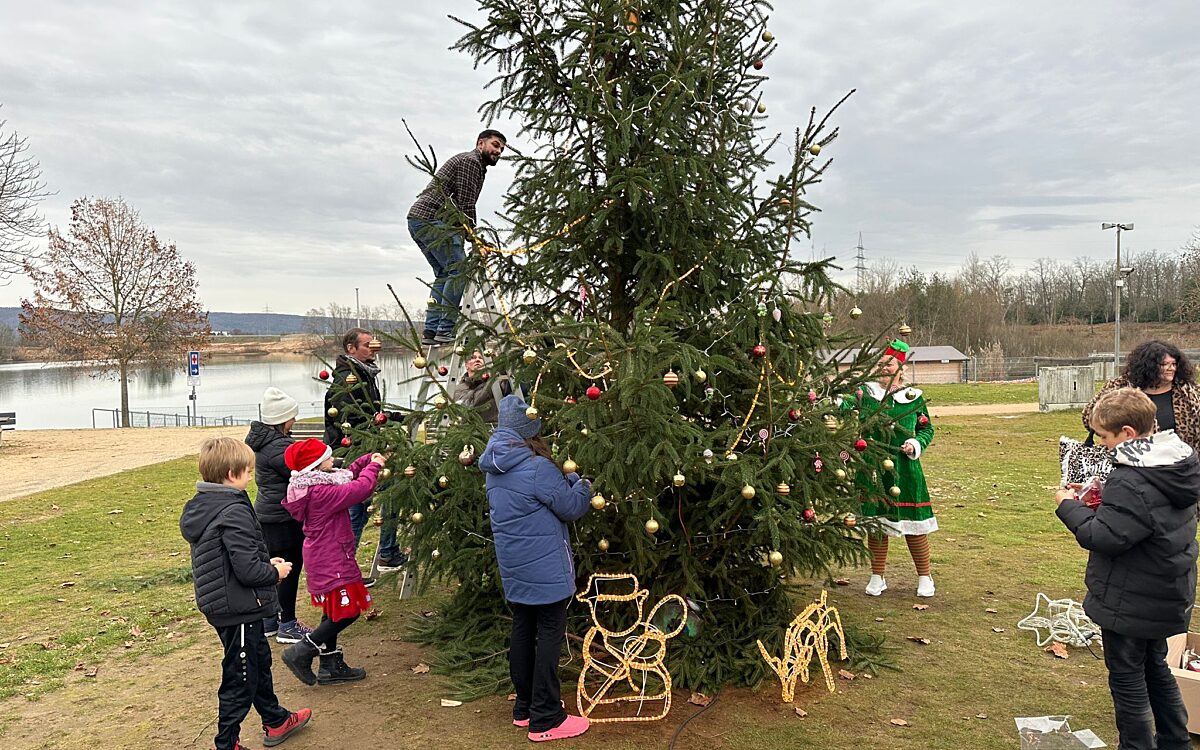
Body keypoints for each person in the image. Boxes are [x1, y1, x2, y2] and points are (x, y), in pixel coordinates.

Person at [1056, 387, 1200, 750]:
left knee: (1127, 679)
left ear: (1127, 434)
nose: (1102, 444)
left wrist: (1069, 505)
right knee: (1156, 669)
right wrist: (1100, 499)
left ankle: (1137, 745)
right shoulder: (1174, 463)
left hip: (1130, 599)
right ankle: (1175, 741)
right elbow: (1143, 519)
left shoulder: (1131, 478)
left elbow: (1103, 537)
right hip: (1166, 591)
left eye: (1104, 436)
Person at [179, 437, 312, 750]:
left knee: (256, 661)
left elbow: (236, 557)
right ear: (230, 474)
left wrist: (265, 561)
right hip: (237, 607)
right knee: (240, 675)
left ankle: (276, 720)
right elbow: (247, 572)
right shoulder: (232, 510)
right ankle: (226, 744)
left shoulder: (209, 505)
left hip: (230, 604)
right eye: (248, 471)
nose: (251, 477)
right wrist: (273, 573)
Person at [479, 394, 592, 742]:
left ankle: (524, 708)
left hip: (515, 566)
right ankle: (547, 718)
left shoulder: (495, 464)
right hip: (545, 569)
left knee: (523, 628)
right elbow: (571, 507)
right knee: (549, 636)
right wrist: (582, 485)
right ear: (531, 428)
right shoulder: (536, 466)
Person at [280, 438, 385, 686]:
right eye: (327, 457)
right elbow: (359, 489)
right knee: (348, 613)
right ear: (316, 466)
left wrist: (365, 460)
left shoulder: (316, 483)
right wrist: (375, 467)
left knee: (333, 611)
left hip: (326, 555)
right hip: (332, 558)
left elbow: (347, 475)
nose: (333, 460)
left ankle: (330, 665)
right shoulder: (321, 493)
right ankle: (302, 651)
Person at [407, 129, 507, 346]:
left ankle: (430, 332)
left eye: (501, 148)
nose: (498, 151)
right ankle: (445, 329)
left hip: (417, 220)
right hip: (433, 220)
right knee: (459, 271)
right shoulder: (471, 162)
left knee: (443, 274)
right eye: (495, 145)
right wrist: (475, 238)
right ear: (480, 143)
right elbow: (466, 203)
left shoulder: (474, 164)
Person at [855, 341, 938, 598]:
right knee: (877, 523)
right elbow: (845, 408)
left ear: (900, 367)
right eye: (879, 364)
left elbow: (926, 428)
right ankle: (877, 576)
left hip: (906, 470)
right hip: (874, 468)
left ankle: (925, 577)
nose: (882, 368)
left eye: (888, 364)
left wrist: (915, 444)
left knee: (915, 523)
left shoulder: (913, 397)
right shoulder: (865, 395)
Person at [323, 327, 406, 574]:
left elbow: (371, 412)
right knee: (359, 508)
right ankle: (346, 568)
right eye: (368, 345)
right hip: (355, 454)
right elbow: (353, 419)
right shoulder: (347, 379)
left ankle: (385, 553)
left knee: (380, 496)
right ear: (351, 349)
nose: (374, 349)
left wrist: (393, 417)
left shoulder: (364, 374)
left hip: (367, 451)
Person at [245, 387, 313, 644]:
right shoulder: (280, 447)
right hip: (283, 517)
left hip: (268, 514)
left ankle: (270, 620)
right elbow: (302, 473)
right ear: (283, 419)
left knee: (274, 566)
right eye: (292, 416)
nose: (295, 420)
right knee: (289, 570)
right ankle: (288, 624)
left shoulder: (266, 443)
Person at [1083, 339, 1200, 450]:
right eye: (1165, 364)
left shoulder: (1189, 392)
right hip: (1131, 463)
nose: (1171, 368)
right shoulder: (1119, 387)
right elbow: (1090, 416)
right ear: (1149, 366)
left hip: (1180, 465)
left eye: (1174, 364)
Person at [452, 349, 508, 422]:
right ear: (466, 365)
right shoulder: (458, 389)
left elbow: (508, 383)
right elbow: (468, 405)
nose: (478, 360)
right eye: (473, 358)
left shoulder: (496, 383)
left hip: (495, 428)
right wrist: (491, 382)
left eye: (481, 358)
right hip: (470, 430)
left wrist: (500, 367)